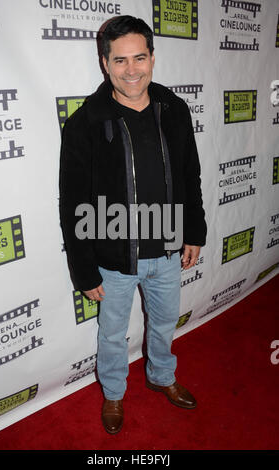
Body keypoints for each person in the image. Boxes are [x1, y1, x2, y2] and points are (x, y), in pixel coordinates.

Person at [59, 15, 207, 434]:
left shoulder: (173, 109)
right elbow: (73, 202)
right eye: (120, 60)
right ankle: (112, 395)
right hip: (112, 259)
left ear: (153, 58)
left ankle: (162, 377)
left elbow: (189, 175)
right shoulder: (85, 122)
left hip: (166, 251)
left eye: (139, 58)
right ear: (105, 63)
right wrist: (83, 268)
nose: (131, 70)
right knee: (112, 335)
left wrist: (194, 231)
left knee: (163, 323)